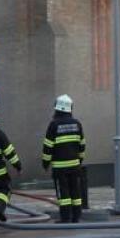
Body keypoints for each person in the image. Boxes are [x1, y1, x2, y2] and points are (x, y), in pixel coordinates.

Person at [42, 94, 86, 223]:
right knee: (75, 192)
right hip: (75, 166)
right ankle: (76, 217)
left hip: (60, 167)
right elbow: (82, 145)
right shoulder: (77, 124)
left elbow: (48, 146)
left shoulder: (53, 125)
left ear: (58, 108)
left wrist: (45, 163)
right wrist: (79, 160)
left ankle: (65, 218)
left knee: (63, 193)